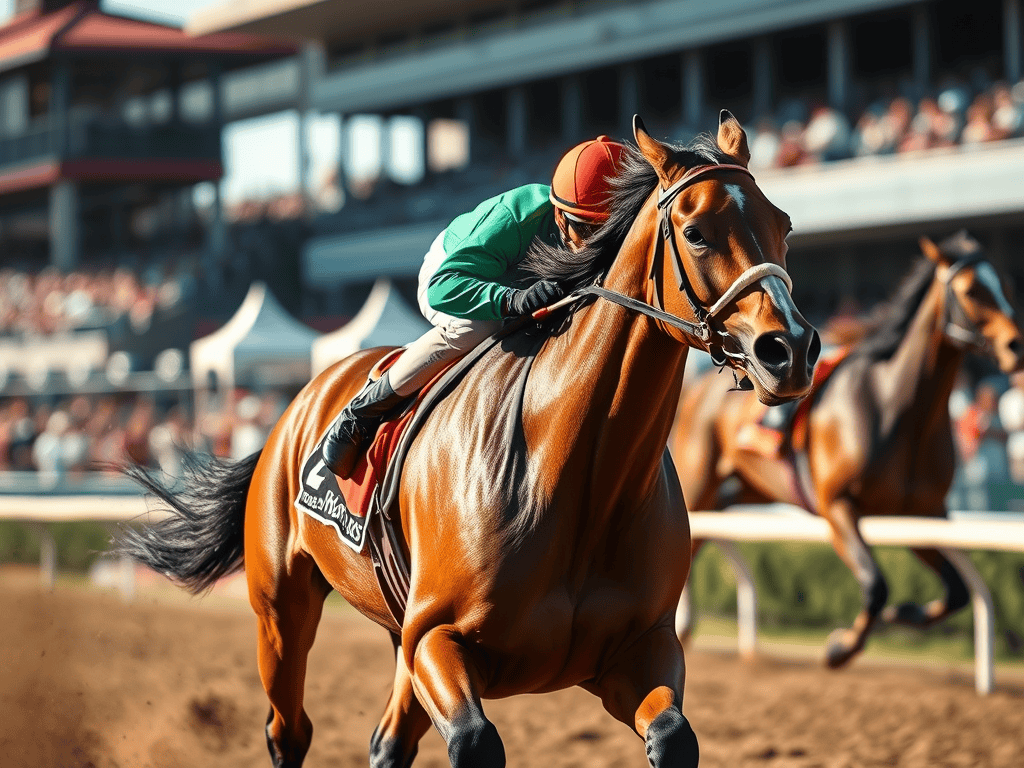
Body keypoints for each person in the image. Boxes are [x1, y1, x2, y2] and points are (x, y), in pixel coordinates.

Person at [322, 135, 627, 478]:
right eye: (587, 230)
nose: (594, 246)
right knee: (476, 328)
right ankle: (362, 411)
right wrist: (512, 300)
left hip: (515, 286)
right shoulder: (517, 216)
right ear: (559, 214)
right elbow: (443, 288)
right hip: (451, 272)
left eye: (606, 232)